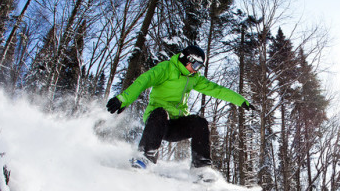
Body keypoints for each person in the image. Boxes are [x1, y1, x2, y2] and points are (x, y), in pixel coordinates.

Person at [106, 44, 252, 170]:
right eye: (195, 65)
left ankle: (200, 167)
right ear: (186, 59)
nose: (196, 70)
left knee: (199, 123)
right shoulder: (166, 69)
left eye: (199, 67)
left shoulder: (194, 78)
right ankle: (145, 156)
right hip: (157, 122)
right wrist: (123, 99)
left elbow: (217, 89)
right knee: (160, 113)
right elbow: (144, 80)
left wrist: (240, 101)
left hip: (176, 125)